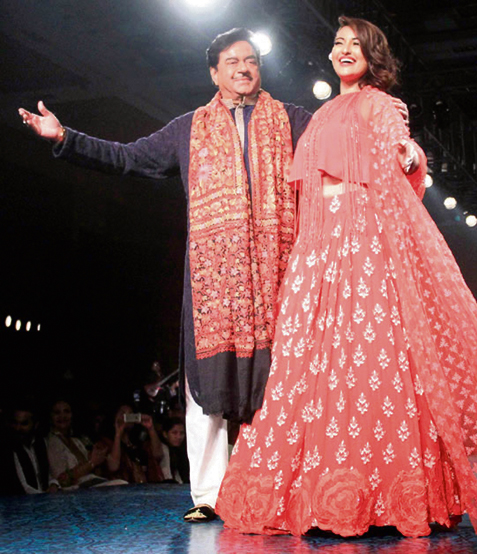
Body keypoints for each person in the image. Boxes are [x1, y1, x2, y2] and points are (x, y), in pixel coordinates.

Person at [18, 27, 408, 522]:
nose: (244, 68)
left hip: (280, 278)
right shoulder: (188, 129)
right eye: (232, 62)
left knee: (282, 385)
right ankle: (208, 495)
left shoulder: (293, 120)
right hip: (212, 288)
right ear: (213, 73)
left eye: (251, 60)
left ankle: (277, 489)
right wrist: (64, 138)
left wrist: (390, 134)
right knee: (206, 391)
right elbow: (129, 158)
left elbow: (344, 140)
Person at [215, 17, 477, 537]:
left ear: (373, 57)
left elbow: (401, 147)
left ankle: (382, 497)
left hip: (363, 247)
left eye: (356, 44)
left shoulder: (379, 104)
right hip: (318, 252)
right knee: (312, 368)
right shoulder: (320, 115)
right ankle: (315, 496)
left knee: (371, 362)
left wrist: (410, 155)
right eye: (338, 43)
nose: (344, 50)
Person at [46, 399, 122, 488]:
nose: (62, 416)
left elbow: (110, 466)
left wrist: (98, 459)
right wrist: (92, 463)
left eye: (66, 411)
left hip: (90, 485)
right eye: (57, 412)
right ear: (51, 417)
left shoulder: (77, 441)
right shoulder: (51, 442)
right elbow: (60, 481)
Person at [0, 403, 59, 495]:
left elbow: (48, 474)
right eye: (15, 423)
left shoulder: (40, 443)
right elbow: (21, 487)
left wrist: (53, 484)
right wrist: (44, 497)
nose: (18, 428)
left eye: (24, 423)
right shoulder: (6, 449)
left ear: (35, 425)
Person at [99, 404, 164, 484]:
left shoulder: (139, 442)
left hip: (146, 487)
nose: (126, 417)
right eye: (123, 413)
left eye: (130, 414)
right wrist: (118, 434)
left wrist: (151, 428)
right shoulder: (107, 443)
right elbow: (113, 467)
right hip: (122, 487)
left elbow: (158, 455)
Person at [160, 417, 190, 484]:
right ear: (165, 434)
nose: (179, 437)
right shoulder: (163, 449)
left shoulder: (184, 451)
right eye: (174, 433)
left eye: (182, 433)